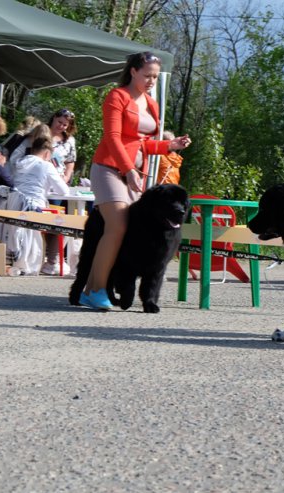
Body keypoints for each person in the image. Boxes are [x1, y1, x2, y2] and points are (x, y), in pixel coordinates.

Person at [79, 51, 191, 310]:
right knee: (117, 226)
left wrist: (170, 145)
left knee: (125, 230)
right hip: (109, 169)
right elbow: (113, 138)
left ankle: (91, 289)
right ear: (133, 71)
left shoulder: (151, 103)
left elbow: (143, 144)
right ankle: (96, 290)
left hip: (134, 173)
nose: (151, 81)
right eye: (147, 75)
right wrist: (128, 169)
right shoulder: (116, 97)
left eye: (154, 77)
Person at [12, 136, 69, 274]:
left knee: (51, 219)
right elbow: (64, 191)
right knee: (64, 222)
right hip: (35, 209)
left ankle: (48, 259)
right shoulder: (46, 165)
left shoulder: (19, 163)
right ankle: (51, 263)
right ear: (47, 154)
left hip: (15, 207)